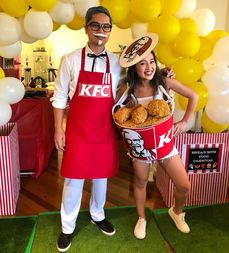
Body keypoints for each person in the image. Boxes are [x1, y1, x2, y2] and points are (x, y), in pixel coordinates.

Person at [51, 6, 125, 252]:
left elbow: (132, 85)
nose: (101, 31)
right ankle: (67, 227)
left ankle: (97, 214)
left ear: (110, 31)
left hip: (105, 130)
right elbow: (60, 96)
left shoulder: (117, 63)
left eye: (106, 27)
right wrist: (58, 129)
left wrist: (164, 74)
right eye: (95, 25)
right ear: (86, 28)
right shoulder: (70, 59)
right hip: (78, 131)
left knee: (101, 176)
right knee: (74, 178)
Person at [117, 33, 199, 239]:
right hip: (140, 150)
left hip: (165, 145)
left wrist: (184, 121)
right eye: (142, 63)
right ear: (134, 66)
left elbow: (193, 95)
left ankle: (177, 212)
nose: (148, 67)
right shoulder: (129, 89)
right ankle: (142, 218)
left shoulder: (164, 82)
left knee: (183, 185)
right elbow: (117, 112)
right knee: (141, 183)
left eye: (152, 61)